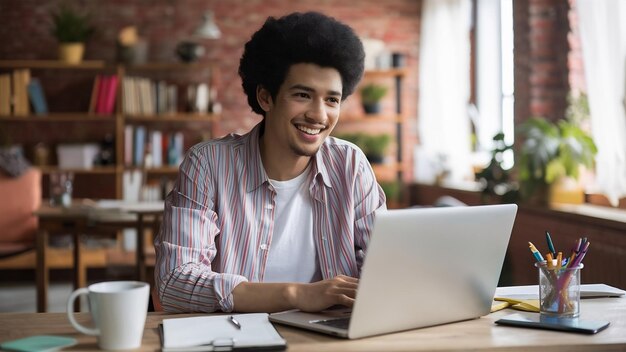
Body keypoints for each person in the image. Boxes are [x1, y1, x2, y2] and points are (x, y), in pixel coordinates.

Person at [154, 11, 386, 313]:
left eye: (332, 100)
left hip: (329, 338)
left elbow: (384, 270)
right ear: (265, 97)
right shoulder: (209, 164)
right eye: (303, 95)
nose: (319, 115)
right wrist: (295, 295)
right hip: (238, 336)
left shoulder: (350, 165)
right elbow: (174, 281)